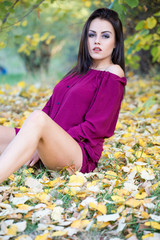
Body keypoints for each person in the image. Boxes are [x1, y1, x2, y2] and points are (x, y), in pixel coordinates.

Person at [0, 8, 127, 184]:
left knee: (38, 118)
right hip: (50, 142)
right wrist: (38, 140)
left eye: (105, 36)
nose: (97, 41)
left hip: (79, 153)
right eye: (92, 35)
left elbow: (97, 127)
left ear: (116, 42)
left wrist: (44, 141)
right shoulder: (77, 72)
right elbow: (50, 108)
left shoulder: (113, 73)